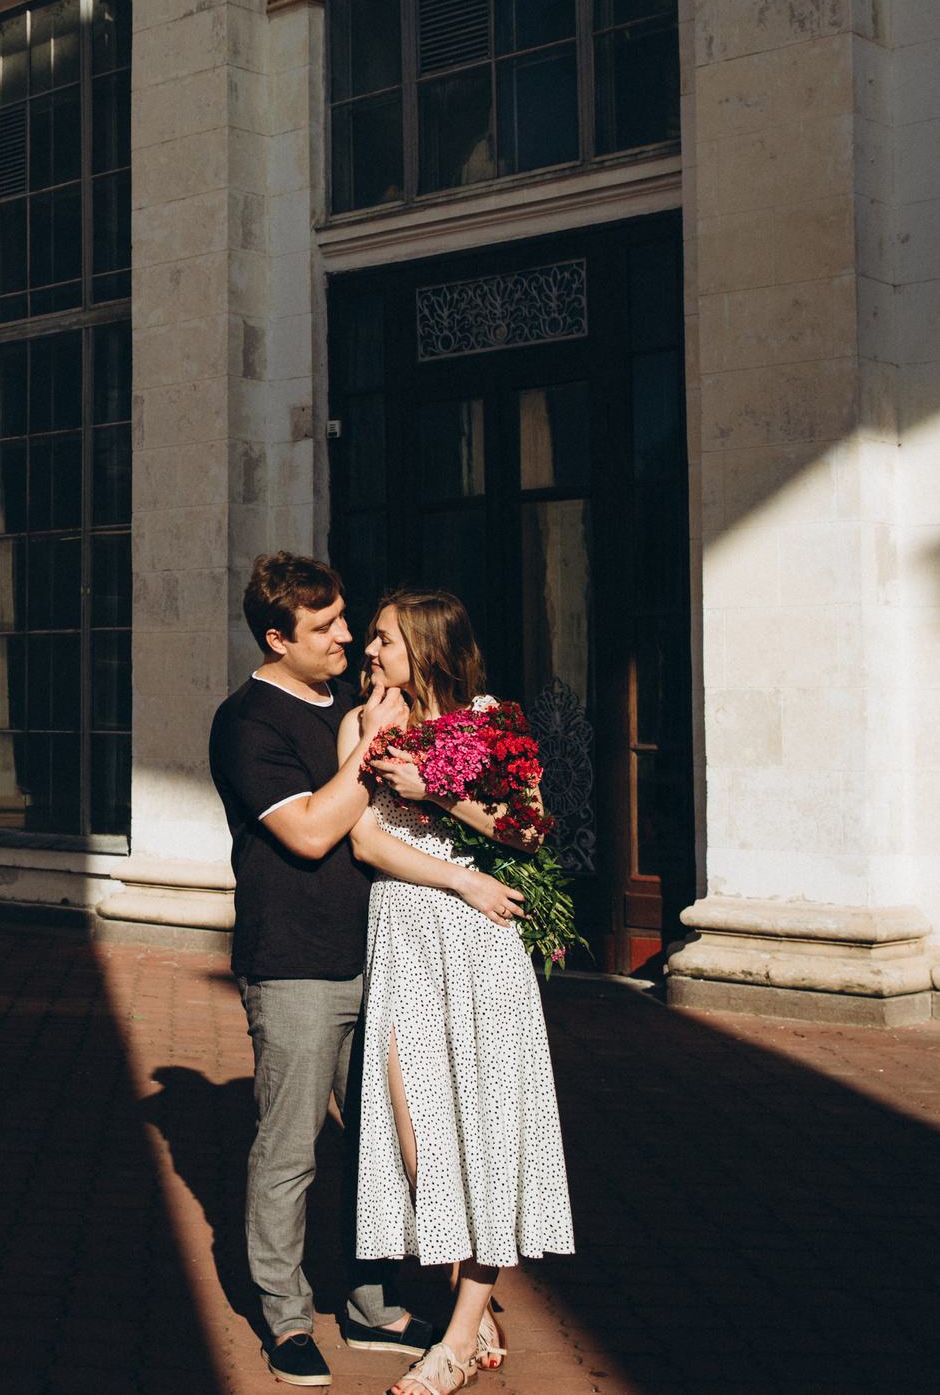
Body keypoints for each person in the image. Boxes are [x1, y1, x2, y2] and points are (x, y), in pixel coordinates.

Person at [207, 553, 444, 1386]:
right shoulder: (248, 722)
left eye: (347, 618)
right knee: (291, 1150)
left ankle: (371, 1305)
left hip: (378, 953)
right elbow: (310, 831)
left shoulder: (352, 701)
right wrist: (372, 745)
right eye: (326, 626)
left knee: (377, 1144)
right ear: (278, 638)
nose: (348, 635)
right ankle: (283, 1316)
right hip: (296, 963)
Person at [343, 587, 577, 1394]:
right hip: (408, 932)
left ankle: (457, 1337)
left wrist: (436, 791)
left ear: (428, 649)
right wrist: (456, 878)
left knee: (484, 1130)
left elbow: (530, 827)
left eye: (383, 640)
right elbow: (364, 837)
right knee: (418, 1140)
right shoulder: (367, 723)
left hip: (482, 947)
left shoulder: (493, 722)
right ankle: (472, 1308)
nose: (368, 652)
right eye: (370, 639)